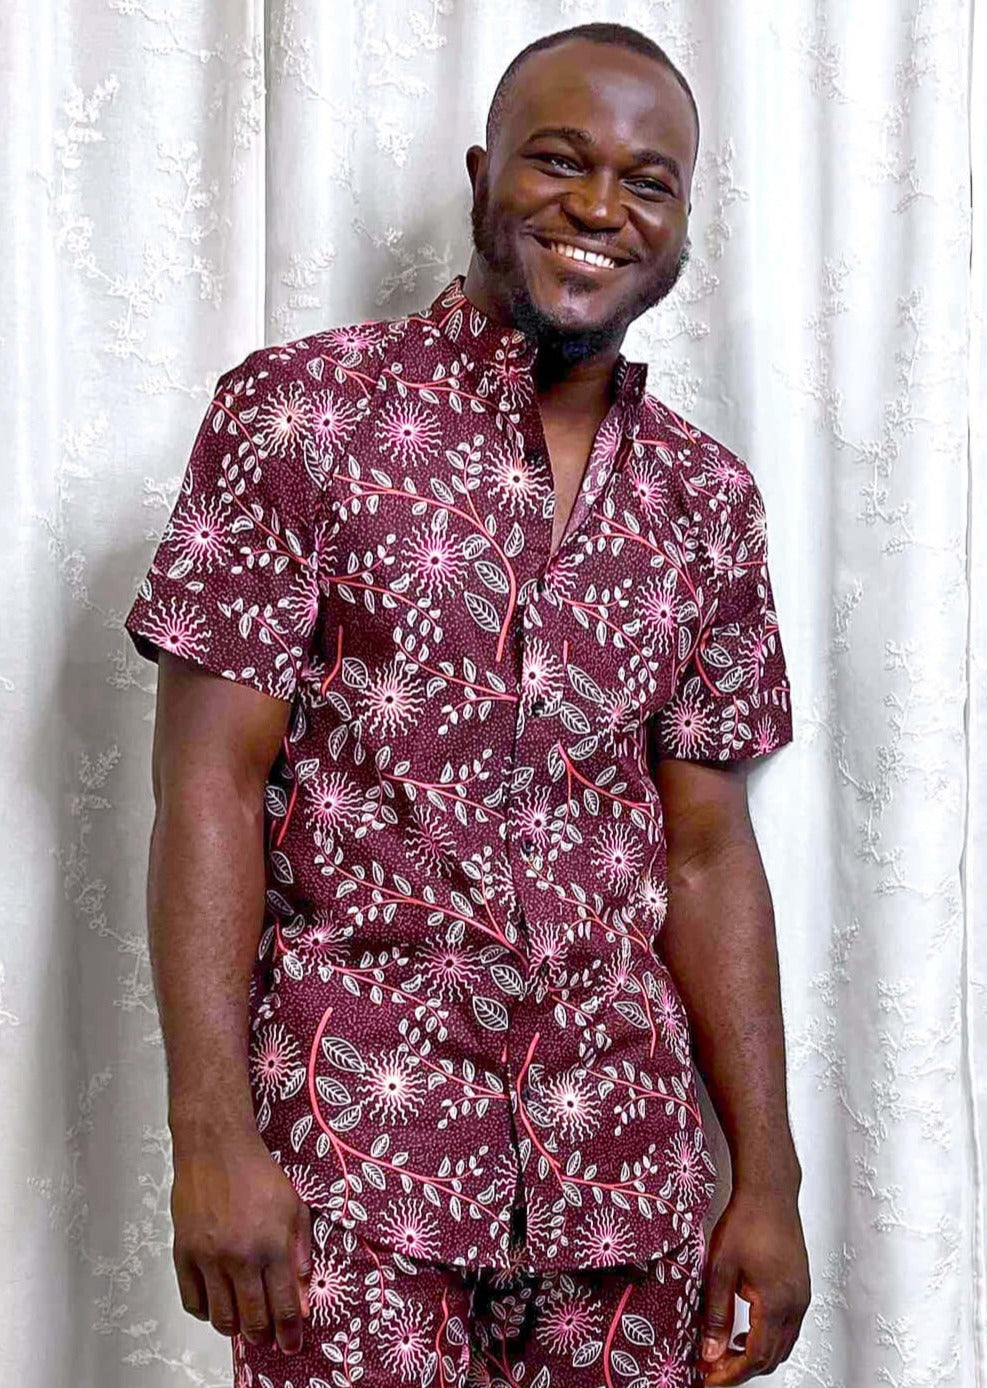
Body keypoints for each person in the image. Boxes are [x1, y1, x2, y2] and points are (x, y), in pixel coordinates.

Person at [125, 21, 810, 1388]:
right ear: (483, 173)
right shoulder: (300, 417)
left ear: (682, 225)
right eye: (560, 160)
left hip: (626, 1177)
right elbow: (207, 786)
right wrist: (210, 1135)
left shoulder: (707, 501)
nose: (601, 206)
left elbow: (707, 852)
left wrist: (769, 1184)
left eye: (648, 181)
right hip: (355, 1164)